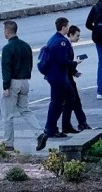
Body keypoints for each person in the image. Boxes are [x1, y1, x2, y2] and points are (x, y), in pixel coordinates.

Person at [37, 17, 76, 151]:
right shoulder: (61, 42)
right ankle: (51, 128)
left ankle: (63, 125)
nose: (68, 28)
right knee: (57, 103)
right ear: (64, 27)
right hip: (58, 76)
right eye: (67, 26)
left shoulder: (52, 39)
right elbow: (62, 60)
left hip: (55, 76)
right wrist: (74, 63)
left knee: (68, 98)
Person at [0, 20, 38, 150]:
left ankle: (9, 144)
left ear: (7, 32)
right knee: (25, 110)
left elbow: (6, 69)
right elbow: (30, 64)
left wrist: (6, 86)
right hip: (25, 81)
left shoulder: (7, 48)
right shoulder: (26, 46)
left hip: (13, 82)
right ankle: (39, 133)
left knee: (8, 115)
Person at [61, 26, 92, 134]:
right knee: (73, 101)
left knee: (72, 102)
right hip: (66, 78)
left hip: (67, 76)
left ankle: (76, 124)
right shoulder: (66, 45)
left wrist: (74, 71)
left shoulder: (67, 44)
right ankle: (81, 123)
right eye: (77, 35)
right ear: (71, 34)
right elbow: (66, 62)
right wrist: (75, 64)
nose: (79, 38)